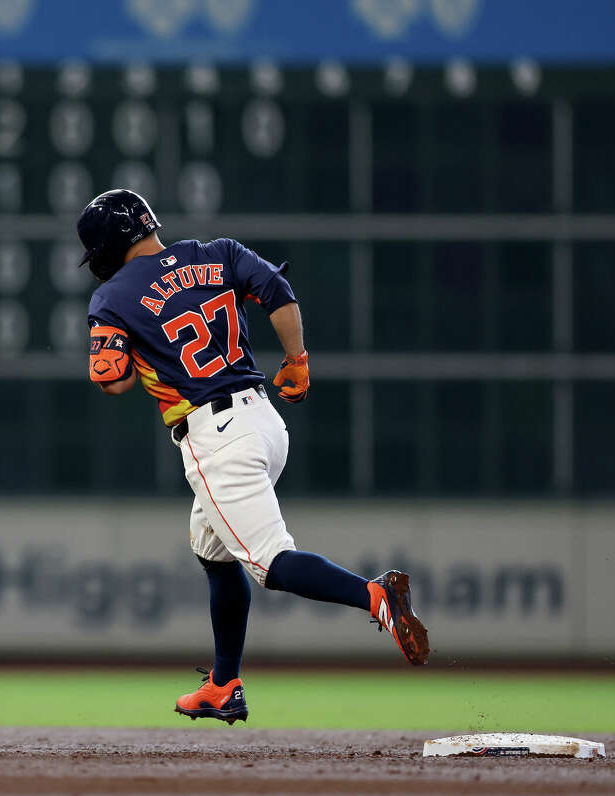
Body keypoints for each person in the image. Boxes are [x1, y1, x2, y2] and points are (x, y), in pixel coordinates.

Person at [80, 189, 429, 725]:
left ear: (103, 246)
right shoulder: (216, 252)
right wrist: (297, 360)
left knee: (270, 563)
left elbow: (114, 381)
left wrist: (129, 360)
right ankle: (223, 684)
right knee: (212, 551)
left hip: (214, 436)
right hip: (264, 421)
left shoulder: (111, 297)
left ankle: (375, 596)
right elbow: (277, 290)